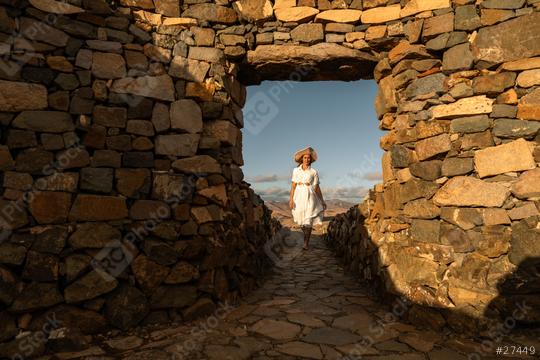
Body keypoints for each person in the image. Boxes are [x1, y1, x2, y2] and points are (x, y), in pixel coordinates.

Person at [289, 146, 327, 250]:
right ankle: (305, 237)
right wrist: (291, 199)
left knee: (309, 220)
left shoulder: (313, 172)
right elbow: (293, 186)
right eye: (305, 157)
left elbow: (317, 188)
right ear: (302, 159)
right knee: (301, 221)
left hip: (310, 195)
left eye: (309, 158)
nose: (307, 159)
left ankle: (306, 243)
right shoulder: (296, 170)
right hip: (299, 195)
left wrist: (322, 200)